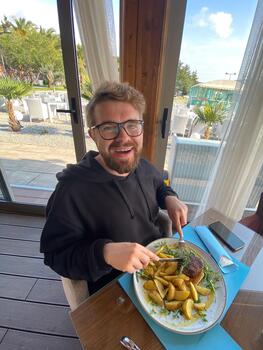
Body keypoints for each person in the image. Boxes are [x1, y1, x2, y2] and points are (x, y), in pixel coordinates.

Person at [40, 82, 188, 295]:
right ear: (93, 135)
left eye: (132, 125)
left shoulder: (142, 165)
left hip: (161, 266)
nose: (124, 137)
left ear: (141, 128)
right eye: (109, 127)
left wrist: (170, 198)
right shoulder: (71, 189)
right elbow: (55, 255)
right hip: (115, 289)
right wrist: (105, 253)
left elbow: (159, 185)